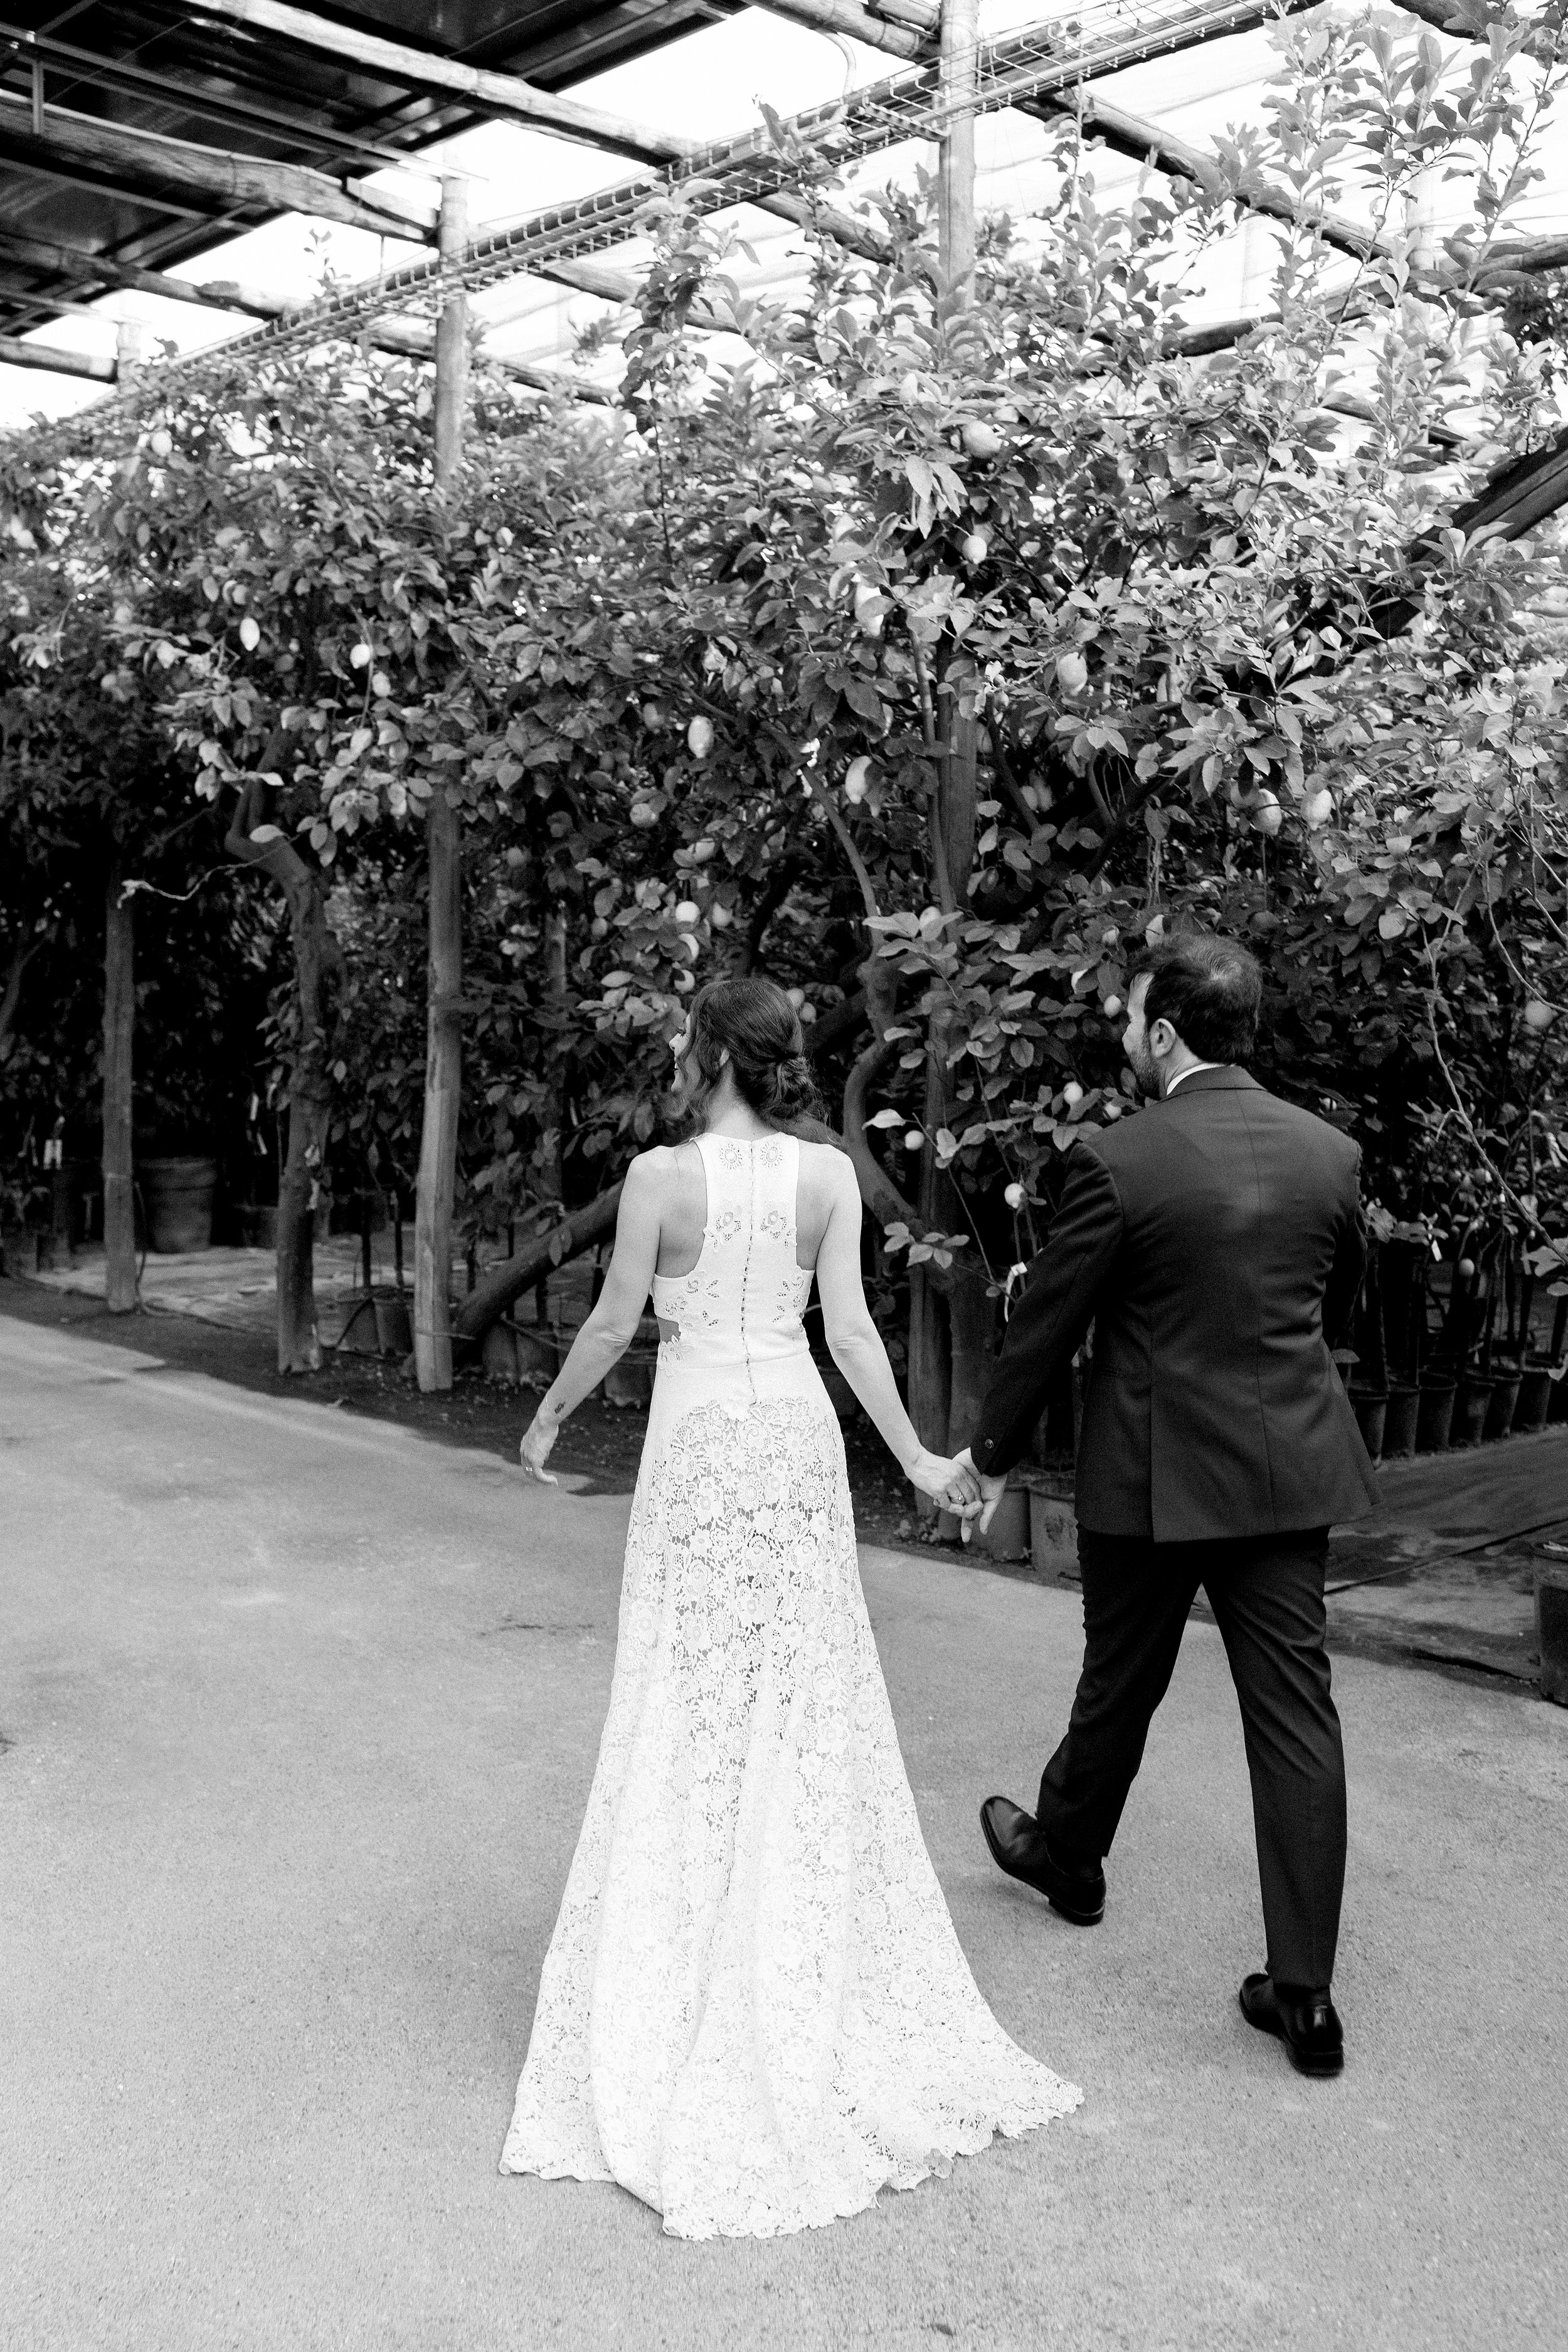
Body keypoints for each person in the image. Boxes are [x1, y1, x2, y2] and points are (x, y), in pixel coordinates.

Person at [503, 975, 1081, 2238]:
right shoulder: (826, 1175)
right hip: (796, 1445)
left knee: (690, 1688)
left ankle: (695, 1937)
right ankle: (783, 1934)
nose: (677, 1051)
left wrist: (544, 1420)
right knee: (801, 1686)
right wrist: (918, 1458)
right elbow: (853, 1337)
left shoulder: (659, 1178)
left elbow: (613, 1321)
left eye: (685, 1037)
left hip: (704, 1441)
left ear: (713, 1052)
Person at [952, 933, 1378, 2080]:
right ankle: (1307, 1998)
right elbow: (1333, 1302)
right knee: (1295, 1717)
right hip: (1285, 1471)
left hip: (1150, 1476)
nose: (1127, 1034)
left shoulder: (1118, 1160)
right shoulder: (1327, 1154)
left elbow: (1050, 1321)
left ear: (1166, 1032)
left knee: (1121, 1678)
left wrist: (989, 1455)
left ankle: (1070, 1858)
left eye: (1134, 1016)